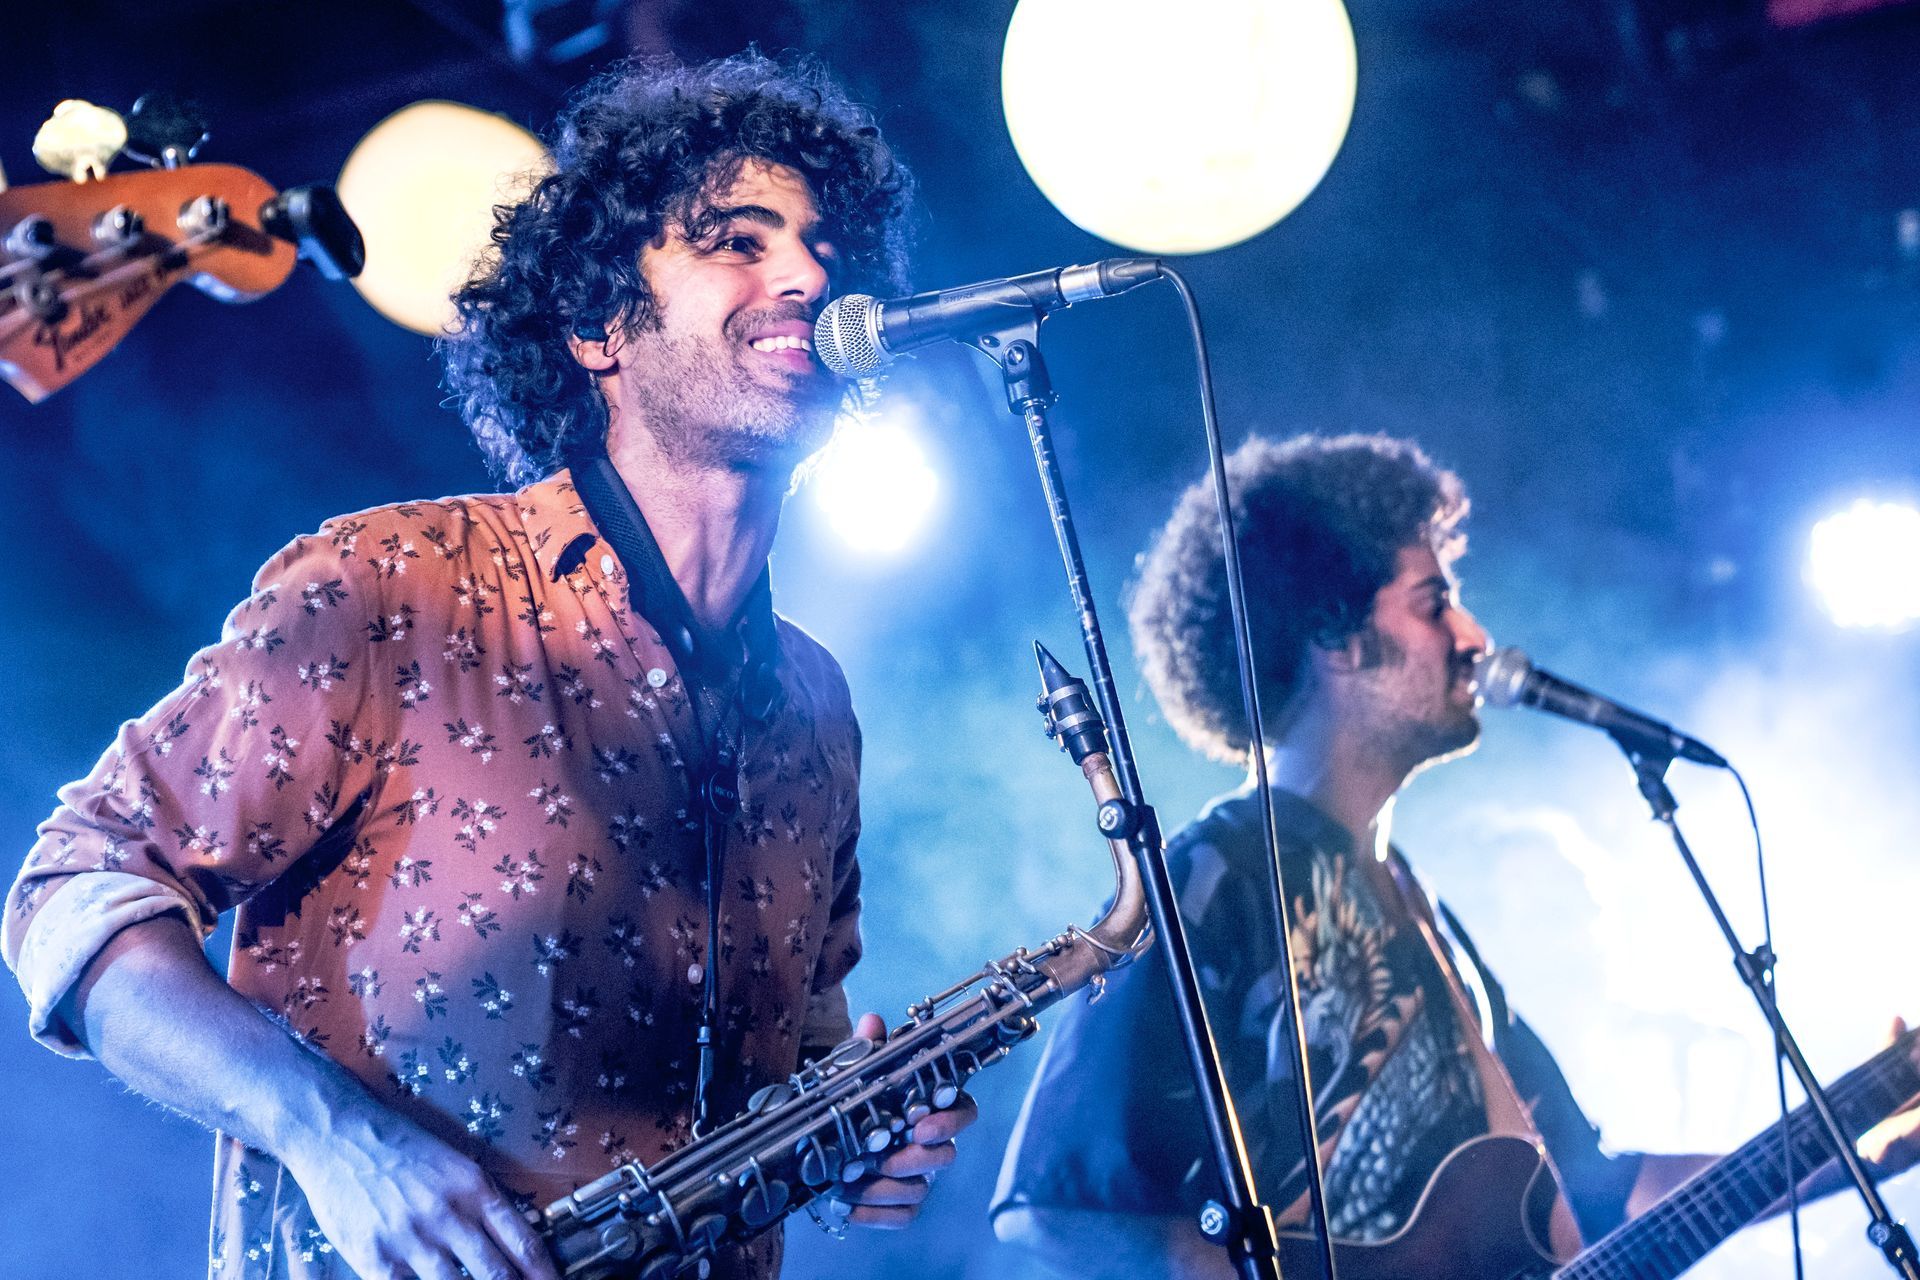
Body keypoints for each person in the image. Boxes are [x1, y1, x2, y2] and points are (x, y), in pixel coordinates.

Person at [3, 54, 972, 1280]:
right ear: (598, 325)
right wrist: (335, 1137)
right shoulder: (390, 585)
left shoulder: (817, 704)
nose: (808, 277)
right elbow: (75, 889)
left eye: (826, 248)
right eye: (738, 240)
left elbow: (790, 1052)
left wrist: (849, 1133)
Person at [990, 433, 1920, 1276]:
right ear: (1336, 637)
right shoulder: (1212, 877)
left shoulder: (1425, 915)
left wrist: (1868, 1145)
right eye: (1435, 603)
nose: (1474, 638)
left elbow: (1593, 1197)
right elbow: (1058, 1208)